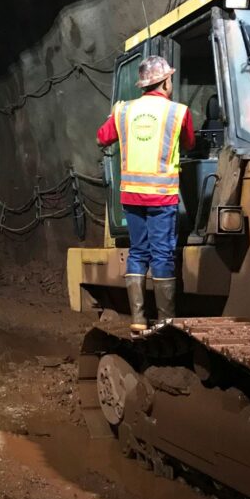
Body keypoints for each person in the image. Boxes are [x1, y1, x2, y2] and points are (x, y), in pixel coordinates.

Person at [97, 54, 195, 332]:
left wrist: (112, 114)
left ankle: (139, 320)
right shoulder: (178, 112)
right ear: (165, 82)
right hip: (161, 196)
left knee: (138, 252)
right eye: (171, 79)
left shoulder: (123, 111)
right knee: (162, 254)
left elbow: (101, 138)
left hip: (131, 196)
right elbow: (189, 143)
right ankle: (165, 321)